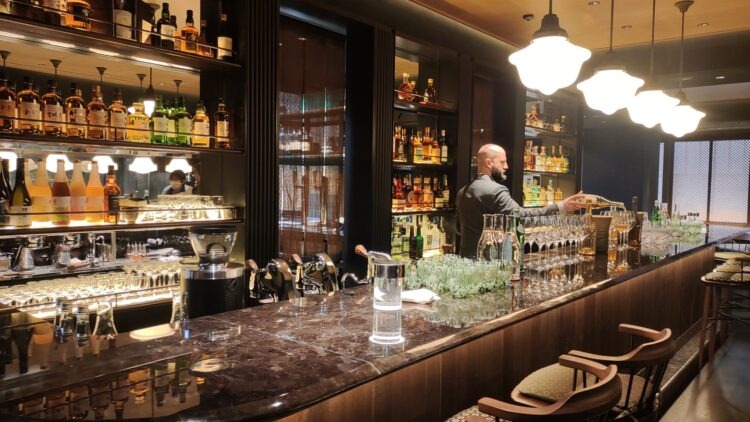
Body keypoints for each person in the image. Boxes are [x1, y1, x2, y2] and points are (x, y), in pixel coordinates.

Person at [456, 144, 587, 258]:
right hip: (489, 263)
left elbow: (459, 229)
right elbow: (522, 218)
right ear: (489, 163)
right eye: (502, 162)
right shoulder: (495, 190)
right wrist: (561, 206)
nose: (506, 166)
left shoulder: (462, 192)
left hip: (466, 263)